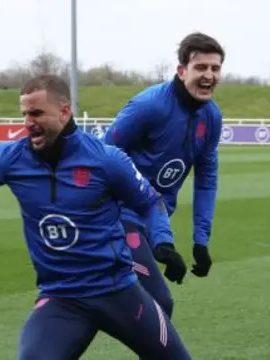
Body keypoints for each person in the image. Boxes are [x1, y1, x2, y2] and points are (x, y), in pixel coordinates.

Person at [0, 74, 192, 359]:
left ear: (64, 111)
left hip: (119, 291)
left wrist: (162, 242)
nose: (28, 123)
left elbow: (150, 202)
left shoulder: (107, 159)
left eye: (36, 113)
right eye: (24, 114)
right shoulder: (10, 157)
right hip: (61, 297)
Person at [101, 32, 224, 317]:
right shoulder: (149, 106)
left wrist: (201, 241)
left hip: (153, 218)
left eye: (215, 68)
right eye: (200, 67)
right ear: (181, 71)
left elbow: (206, 180)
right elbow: (103, 157)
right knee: (158, 305)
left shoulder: (212, 117)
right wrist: (162, 242)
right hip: (116, 218)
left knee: (126, 308)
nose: (209, 75)